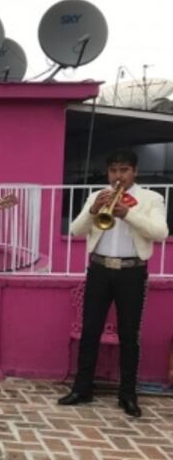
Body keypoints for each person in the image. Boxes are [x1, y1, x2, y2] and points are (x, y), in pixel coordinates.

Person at [58, 149, 169, 418]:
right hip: (99, 268)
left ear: (135, 171)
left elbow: (160, 233)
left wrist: (127, 213)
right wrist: (94, 210)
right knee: (90, 331)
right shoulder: (97, 196)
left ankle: (127, 394)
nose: (118, 176)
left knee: (129, 335)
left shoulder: (152, 198)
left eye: (124, 170)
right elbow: (75, 230)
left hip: (132, 272)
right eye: (113, 170)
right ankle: (82, 389)